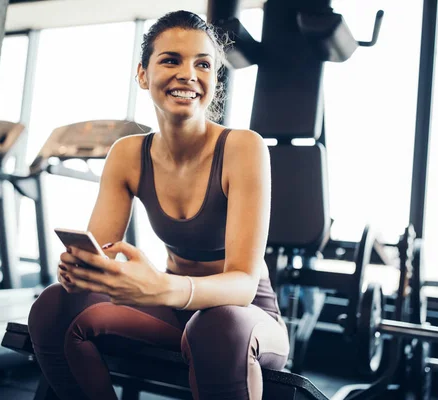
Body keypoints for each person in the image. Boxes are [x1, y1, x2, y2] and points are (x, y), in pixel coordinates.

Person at [28, 10, 290, 400]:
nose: (188, 74)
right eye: (171, 60)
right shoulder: (128, 153)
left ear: (213, 80)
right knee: (53, 307)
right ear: (143, 75)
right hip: (169, 311)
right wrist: (80, 272)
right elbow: (99, 256)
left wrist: (162, 288)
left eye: (202, 64)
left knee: (216, 328)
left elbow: (243, 284)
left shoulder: (243, 148)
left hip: (246, 319)